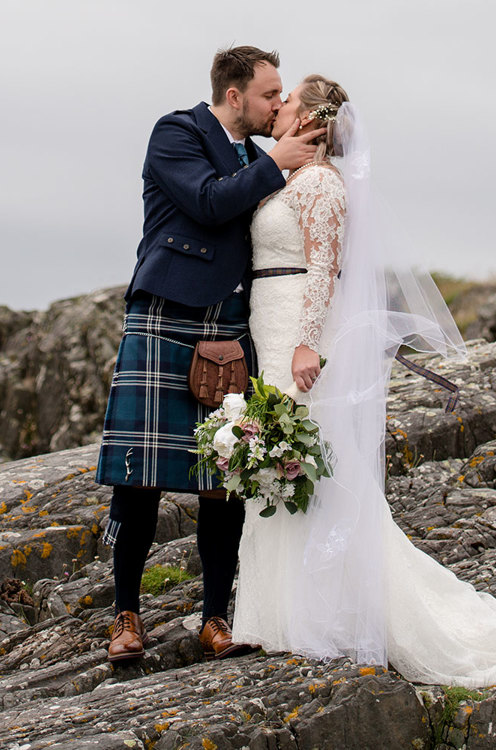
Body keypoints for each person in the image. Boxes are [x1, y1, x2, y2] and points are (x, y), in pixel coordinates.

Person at [232, 75, 496, 687]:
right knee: (283, 460)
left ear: (311, 118)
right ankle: (280, 612)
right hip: (267, 325)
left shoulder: (322, 183)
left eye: (288, 99)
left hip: (297, 331)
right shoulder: (287, 175)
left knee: (315, 464)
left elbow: (324, 268)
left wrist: (305, 343)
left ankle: (340, 611)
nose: (278, 106)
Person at [96, 46, 326, 664]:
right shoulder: (176, 133)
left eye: (281, 95)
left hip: (230, 324)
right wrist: (276, 162)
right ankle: (126, 617)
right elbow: (207, 201)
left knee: (225, 478)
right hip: (165, 315)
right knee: (139, 479)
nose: (277, 104)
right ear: (234, 96)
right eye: (269, 95)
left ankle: (215, 617)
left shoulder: (257, 156)